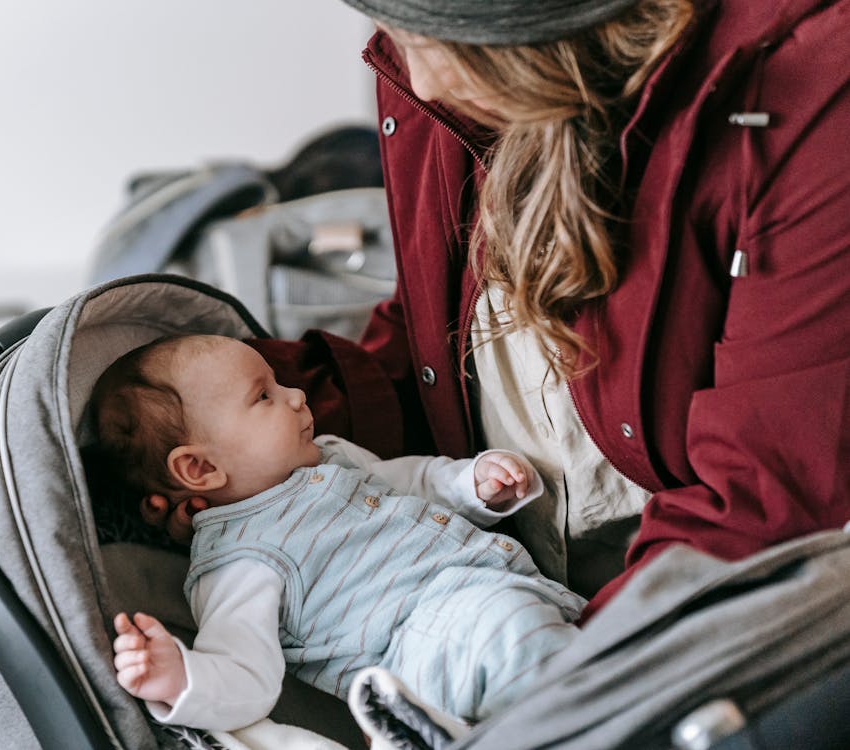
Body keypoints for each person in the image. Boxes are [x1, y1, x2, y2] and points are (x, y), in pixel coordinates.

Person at [145, 0, 850, 617]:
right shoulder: (446, 70)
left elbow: (766, 496)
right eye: (392, 28)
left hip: (665, 619)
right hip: (504, 580)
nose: (417, 83)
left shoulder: (806, 87)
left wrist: (560, 683)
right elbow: (435, 334)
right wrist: (230, 449)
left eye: (429, 40)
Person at [92, 334, 585, 731]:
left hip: (505, 594)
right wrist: (181, 680)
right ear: (200, 467)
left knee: (565, 646)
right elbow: (244, 671)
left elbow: (409, 482)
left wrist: (472, 484)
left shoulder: (329, 453)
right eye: (264, 395)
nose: (296, 395)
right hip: (423, 646)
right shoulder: (242, 560)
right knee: (531, 647)